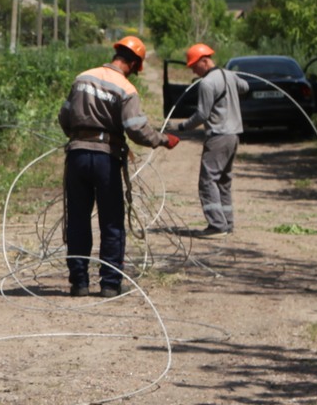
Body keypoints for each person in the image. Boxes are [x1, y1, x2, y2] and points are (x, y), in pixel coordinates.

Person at [58, 34, 176, 297]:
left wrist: (78, 136)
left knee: (77, 220)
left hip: (77, 155)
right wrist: (163, 140)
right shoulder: (126, 89)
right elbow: (136, 130)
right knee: (111, 221)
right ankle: (110, 283)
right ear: (134, 65)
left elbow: (64, 116)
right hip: (105, 159)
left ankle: (79, 283)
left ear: (116, 55)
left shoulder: (82, 78)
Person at [173, 42, 248, 235]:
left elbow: (202, 115)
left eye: (194, 67)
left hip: (218, 136)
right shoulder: (229, 75)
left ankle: (217, 225)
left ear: (204, 61)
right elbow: (245, 87)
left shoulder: (207, 83)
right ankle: (227, 224)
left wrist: (182, 127)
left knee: (207, 181)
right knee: (223, 181)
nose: (193, 72)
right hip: (233, 136)